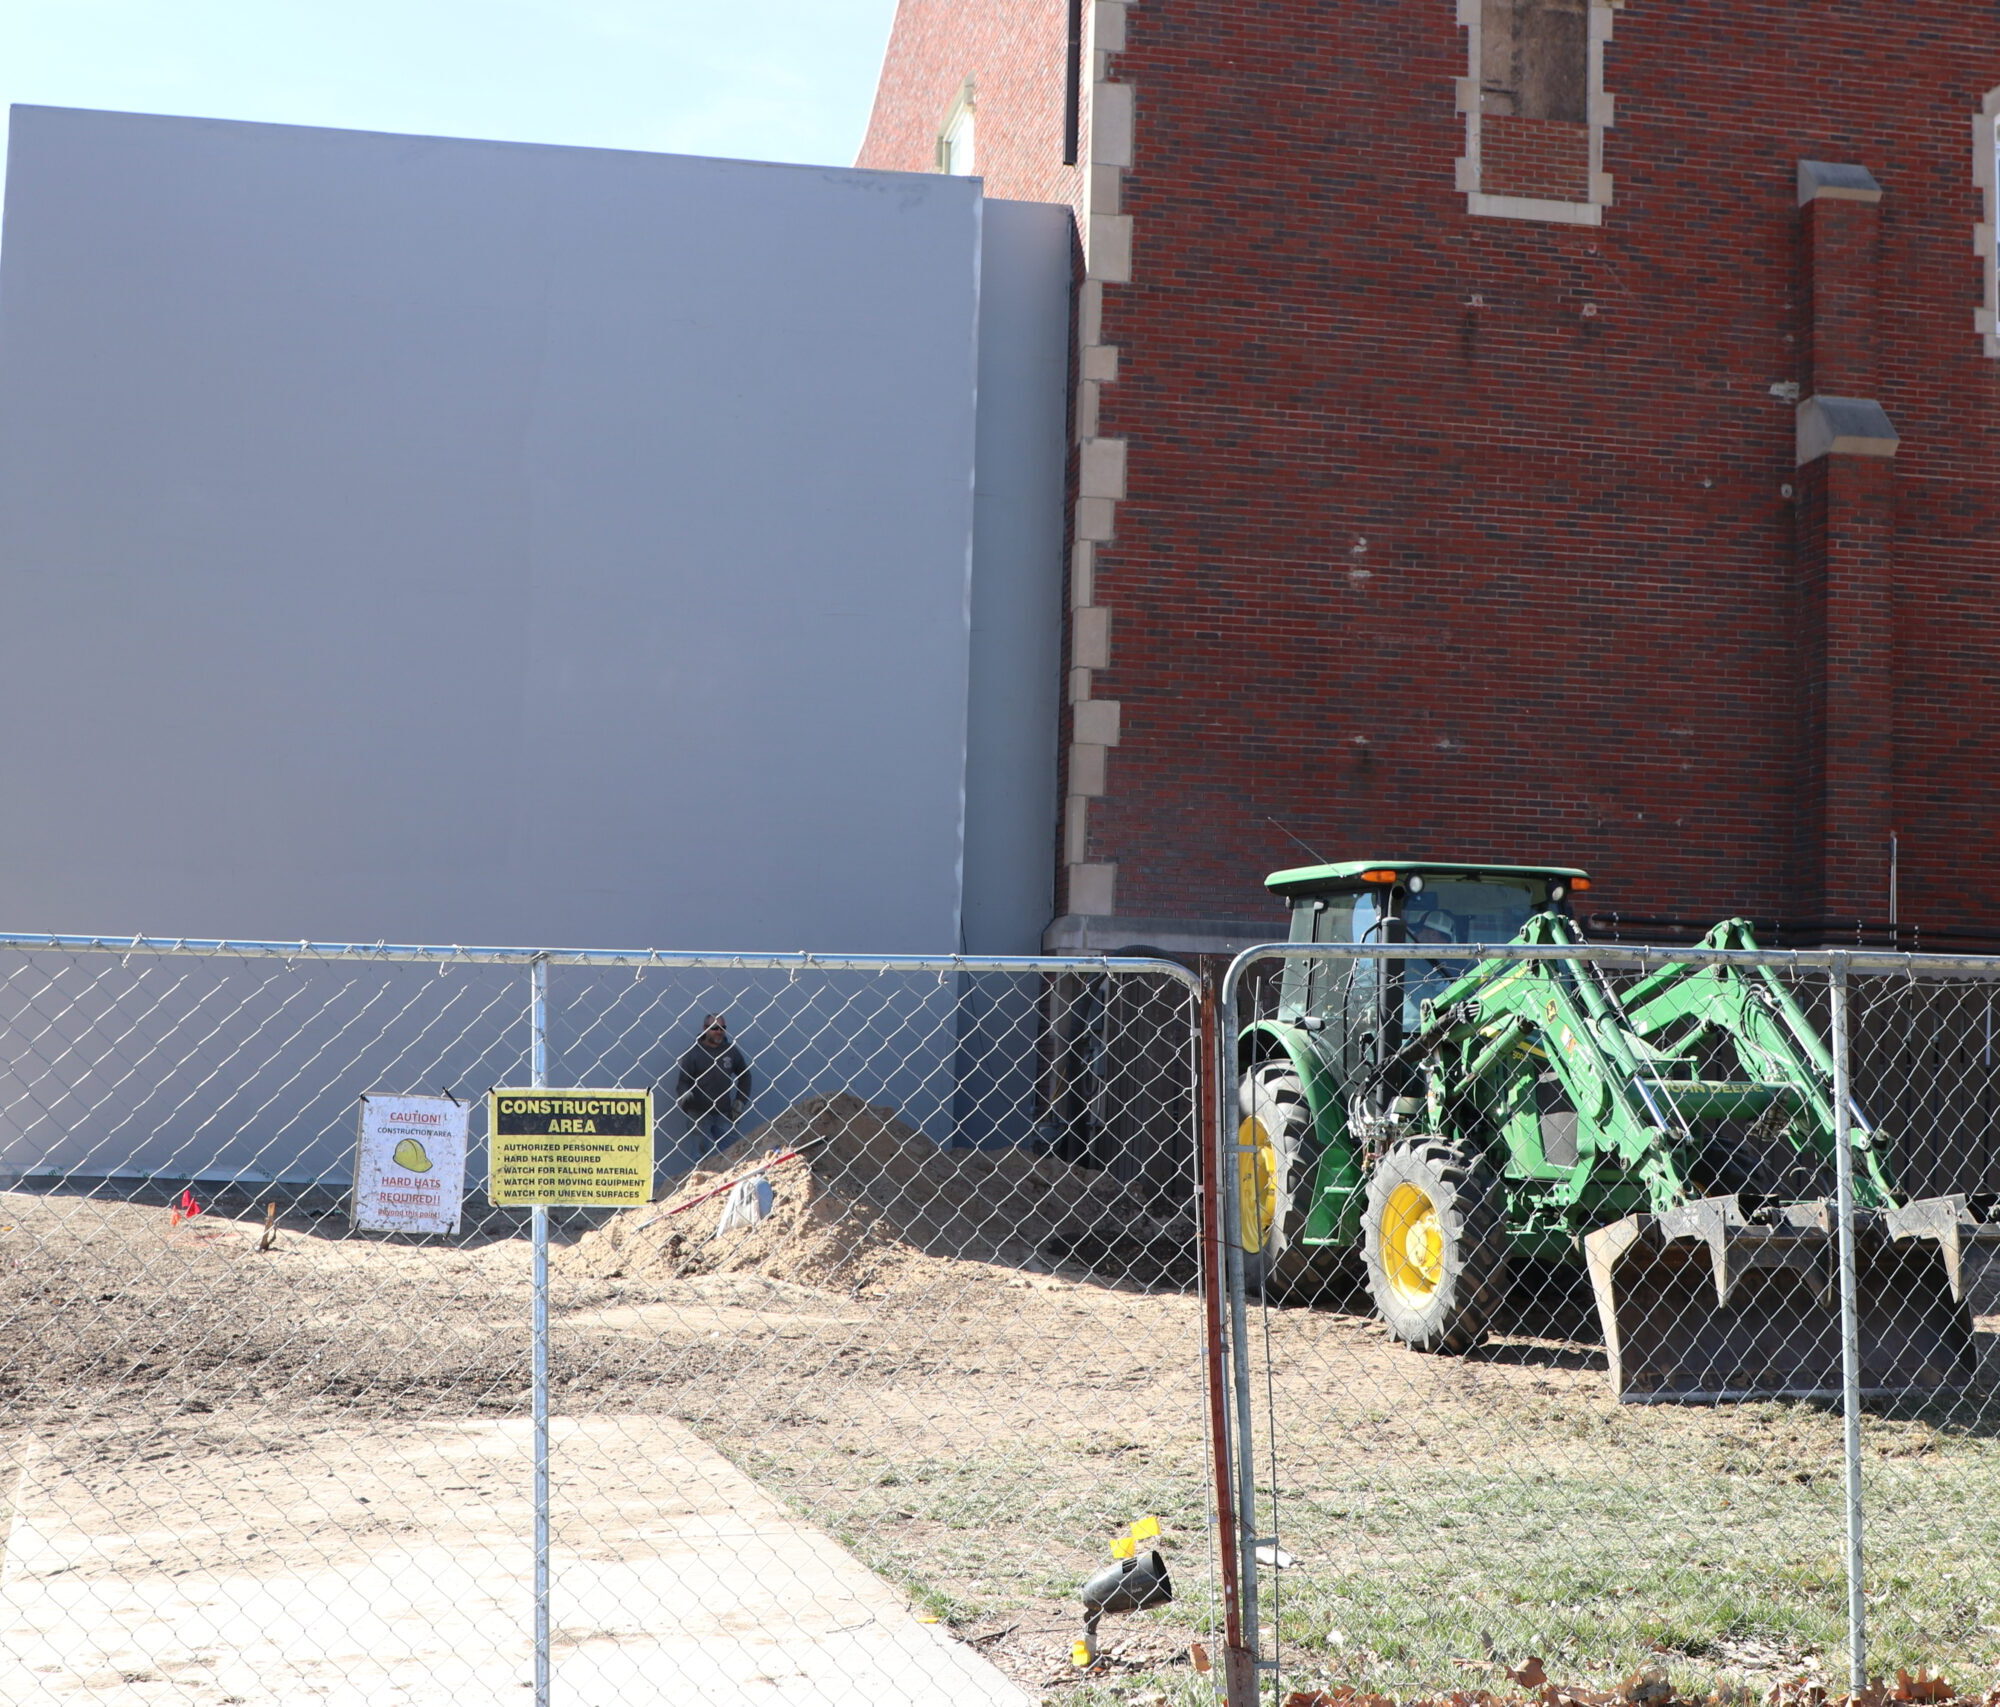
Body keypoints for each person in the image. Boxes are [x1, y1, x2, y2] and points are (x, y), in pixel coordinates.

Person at [675, 1013, 751, 1149]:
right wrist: (684, 1095)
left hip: (723, 1112)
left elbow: (745, 1076)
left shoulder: (730, 1051)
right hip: (699, 1113)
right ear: (705, 1028)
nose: (719, 1032)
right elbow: (683, 1081)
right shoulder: (694, 1053)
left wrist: (740, 1101)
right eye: (715, 1028)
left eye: (723, 1028)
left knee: (734, 1151)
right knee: (700, 1154)